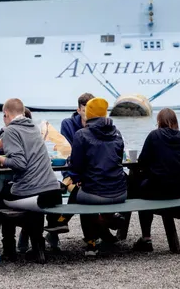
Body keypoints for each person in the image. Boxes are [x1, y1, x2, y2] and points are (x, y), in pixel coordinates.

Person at [0, 98, 62, 263]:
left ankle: (7, 249)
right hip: (53, 190)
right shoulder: (34, 128)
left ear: (6, 114)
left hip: (34, 193)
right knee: (15, 198)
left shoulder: (10, 131)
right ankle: (38, 249)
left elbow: (19, 163)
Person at [131, 108, 180, 252]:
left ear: (159, 122)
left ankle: (146, 239)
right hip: (177, 190)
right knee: (146, 187)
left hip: (155, 189)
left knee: (140, 190)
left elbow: (142, 162)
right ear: (175, 122)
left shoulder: (154, 136)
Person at [68, 96, 127, 257]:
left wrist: (77, 177)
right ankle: (109, 220)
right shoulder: (117, 133)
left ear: (89, 113)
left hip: (95, 193)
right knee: (84, 190)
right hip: (121, 192)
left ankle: (91, 243)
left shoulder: (82, 134)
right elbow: (119, 159)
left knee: (79, 195)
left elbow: (75, 166)